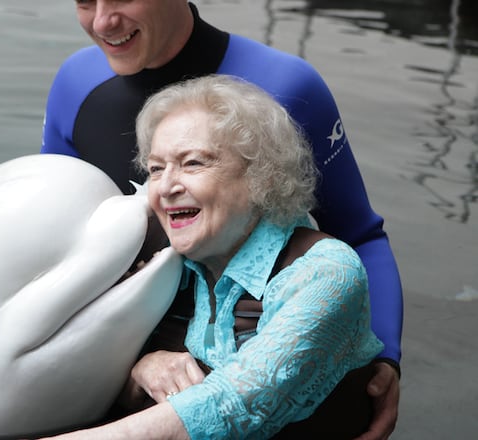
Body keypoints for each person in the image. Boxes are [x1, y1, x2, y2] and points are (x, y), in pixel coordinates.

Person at [40, 2, 401, 437]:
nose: (102, 22)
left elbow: (358, 234)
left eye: (194, 163)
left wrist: (381, 358)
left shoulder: (288, 86)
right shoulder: (76, 85)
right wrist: (138, 369)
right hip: (144, 363)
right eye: (84, 1)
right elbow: (56, 255)